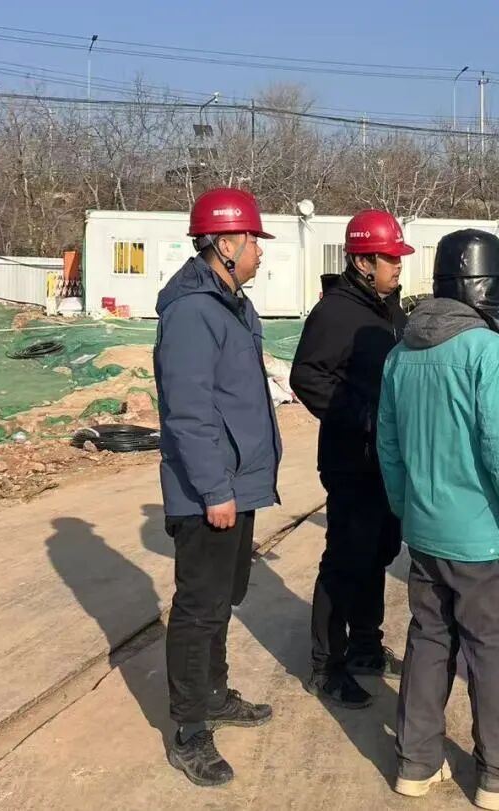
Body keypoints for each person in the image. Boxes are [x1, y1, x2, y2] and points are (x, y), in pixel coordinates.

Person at [377, 230, 499, 810]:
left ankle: (415, 764)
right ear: (490, 283)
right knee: (492, 650)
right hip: (485, 541)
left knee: (429, 640)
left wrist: (407, 510)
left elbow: (389, 447)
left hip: (426, 533)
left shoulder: (401, 353)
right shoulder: (492, 354)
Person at [154, 187, 283, 786]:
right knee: (198, 610)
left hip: (238, 484)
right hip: (210, 491)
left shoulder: (233, 304)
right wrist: (213, 489)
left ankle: (214, 694)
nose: (260, 251)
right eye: (254, 240)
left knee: (222, 601)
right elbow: (189, 411)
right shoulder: (192, 311)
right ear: (225, 244)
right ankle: (189, 732)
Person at [289, 209, 412, 708]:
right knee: (345, 559)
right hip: (352, 461)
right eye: (390, 259)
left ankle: (365, 645)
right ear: (363, 261)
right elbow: (307, 376)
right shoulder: (336, 313)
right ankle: (327, 665)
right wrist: (364, 417)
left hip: (386, 461)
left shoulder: (390, 311)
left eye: (399, 258)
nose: (398, 266)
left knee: (378, 553)